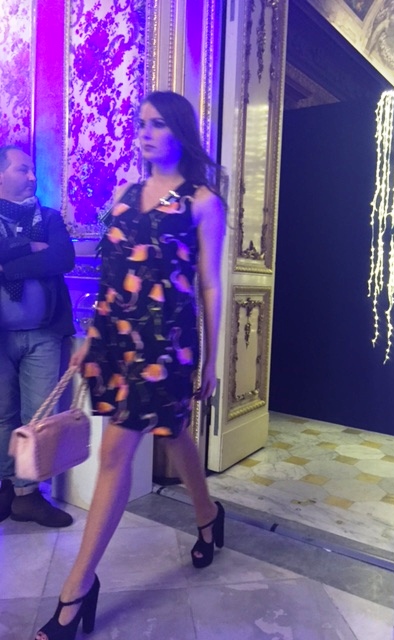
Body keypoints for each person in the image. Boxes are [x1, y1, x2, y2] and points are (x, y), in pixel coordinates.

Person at [35, 91, 226, 640]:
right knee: (175, 432)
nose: (144, 132)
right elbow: (110, 275)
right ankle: (209, 516)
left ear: (180, 132)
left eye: (158, 124)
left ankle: (75, 592)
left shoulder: (202, 202)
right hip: (116, 340)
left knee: (116, 452)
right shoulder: (125, 195)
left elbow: (210, 284)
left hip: (166, 346)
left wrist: (213, 357)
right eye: (141, 123)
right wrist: (88, 337)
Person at [0, 145, 75, 528]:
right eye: (22, 169)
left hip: (44, 335)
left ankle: (28, 496)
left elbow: (62, 258)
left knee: (37, 419)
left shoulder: (49, 217)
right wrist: (27, 247)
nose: (32, 177)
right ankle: (6, 488)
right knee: (2, 416)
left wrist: (8, 267)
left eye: (32, 170)